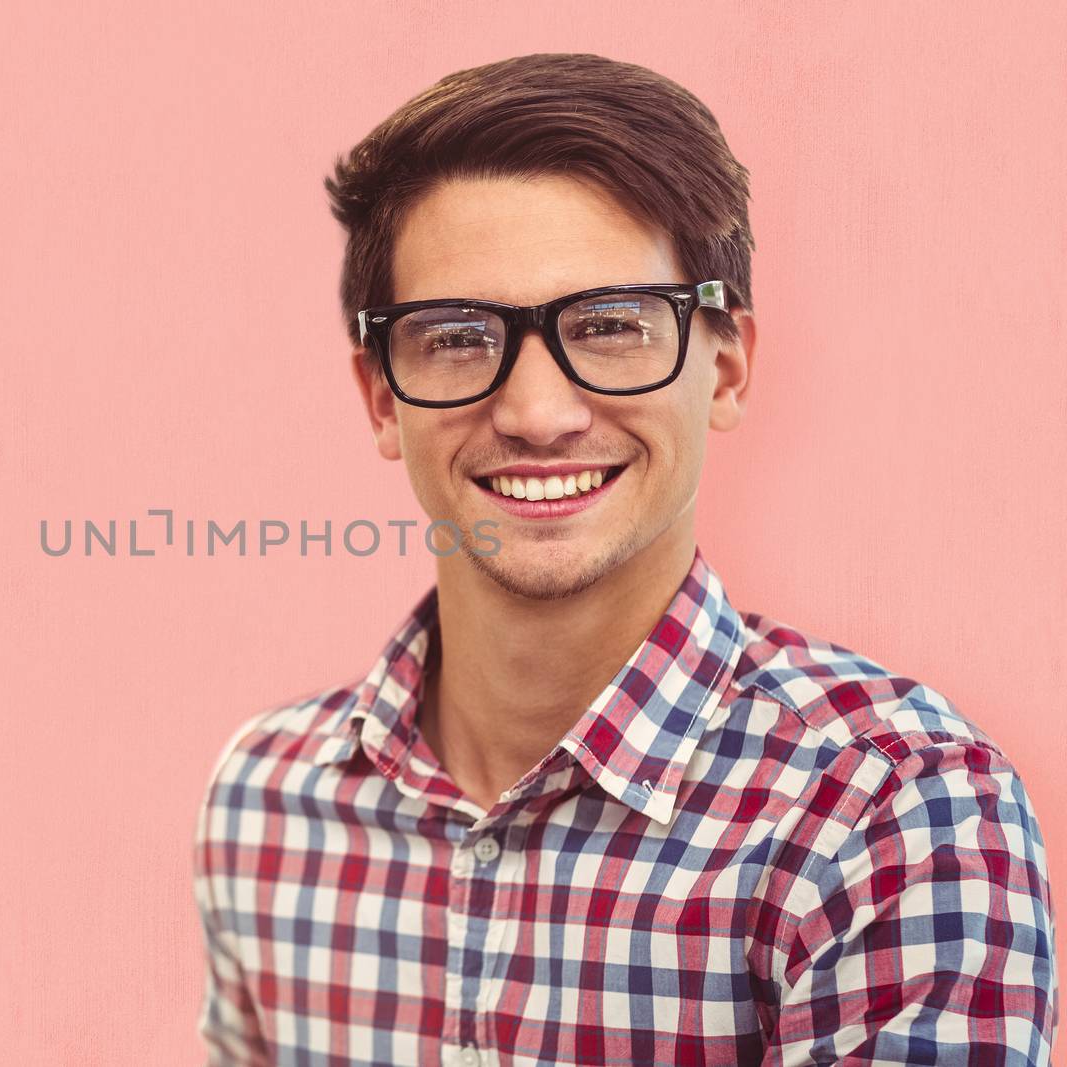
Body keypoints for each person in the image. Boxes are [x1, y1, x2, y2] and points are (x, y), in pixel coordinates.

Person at [190, 52, 1058, 1065]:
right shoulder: (262, 798)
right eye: (457, 337)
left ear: (725, 367)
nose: (536, 413)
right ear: (381, 395)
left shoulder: (891, 810)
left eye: (608, 326)